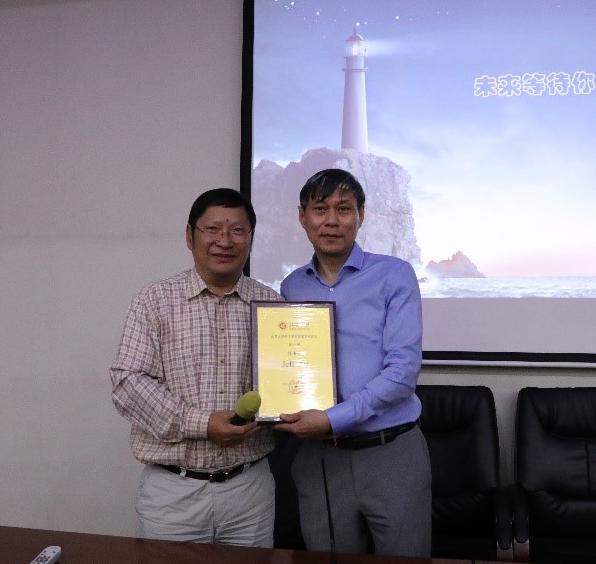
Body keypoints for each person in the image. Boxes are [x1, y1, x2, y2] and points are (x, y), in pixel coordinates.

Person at [110, 188, 282, 546]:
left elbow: (287, 380)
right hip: (174, 491)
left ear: (251, 237)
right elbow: (129, 384)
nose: (225, 241)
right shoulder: (154, 300)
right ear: (190, 235)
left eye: (237, 230)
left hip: (250, 490)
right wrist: (202, 424)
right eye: (212, 229)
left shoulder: (272, 304)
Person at [274, 168, 431, 557]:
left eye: (343, 209)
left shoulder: (394, 275)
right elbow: (289, 364)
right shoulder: (292, 287)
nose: (331, 220)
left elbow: (402, 374)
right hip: (319, 458)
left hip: (390, 452)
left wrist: (333, 418)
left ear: (361, 215)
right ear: (302, 217)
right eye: (320, 209)